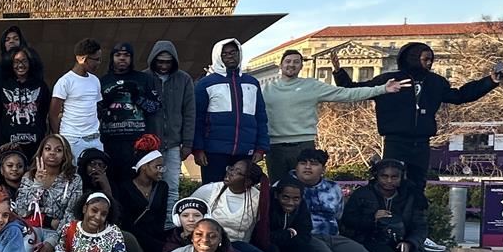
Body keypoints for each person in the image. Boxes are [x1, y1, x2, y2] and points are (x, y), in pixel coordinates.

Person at [334, 41, 503, 204]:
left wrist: (489, 81)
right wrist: (339, 72)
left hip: (421, 142)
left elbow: (460, 95)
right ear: (413, 59)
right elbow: (355, 90)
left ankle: (415, 217)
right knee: (389, 181)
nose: (429, 64)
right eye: (425, 60)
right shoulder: (389, 80)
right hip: (395, 140)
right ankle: (387, 214)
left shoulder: (435, 82)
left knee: (417, 184)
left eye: (431, 60)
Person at [264, 49, 409, 181]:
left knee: (305, 189)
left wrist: (382, 89)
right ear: (281, 65)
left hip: (303, 144)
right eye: (288, 61)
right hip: (274, 146)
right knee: (276, 189)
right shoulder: (266, 89)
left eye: (296, 62)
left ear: (302, 66)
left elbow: (347, 94)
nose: (291, 65)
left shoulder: (312, 86)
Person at [193, 38, 268, 182]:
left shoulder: (252, 83)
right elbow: (198, 119)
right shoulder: (205, 83)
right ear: (218, 56)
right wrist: (198, 149)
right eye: (225, 53)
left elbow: (261, 117)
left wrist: (260, 148)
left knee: (242, 192)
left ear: (239, 53)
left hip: (245, 151)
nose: (230, 56)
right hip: (213, 152)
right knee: (213, 191)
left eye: (233, 52)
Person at [97, 41, 160, 175]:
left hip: (137, 141)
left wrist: (137, 97)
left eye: (126, 55)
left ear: (131, 58)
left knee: (135, 179)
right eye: (118, 55)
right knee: (112, 179)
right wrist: (106, 101)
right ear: (112, 58)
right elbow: (95, 112)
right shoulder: (102, 81)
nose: (122, 58)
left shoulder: (144, 79)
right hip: (110, 140)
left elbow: (155, 107)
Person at [145, 40, 196, 203]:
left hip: (174, 144)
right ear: (154, 60)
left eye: (168, 62)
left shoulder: (184, 79)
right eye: (160, 61)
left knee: (172, 187)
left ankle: (168, 226)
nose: (164, 66)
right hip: (149, 144)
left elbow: (189, 112)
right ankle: (152, 224)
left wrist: (187, 143)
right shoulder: (144, 78)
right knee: (149, 185)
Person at [49, 38, 103, 163]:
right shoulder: (65, 81)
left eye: (100, 59)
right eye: (96, 59)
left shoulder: (95, 80)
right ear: (83, 58)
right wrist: (59, 139)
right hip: (72, 139)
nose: (99, 63)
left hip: (94, 138)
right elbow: (53, 113)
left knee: (96, 176)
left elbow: (95, 108)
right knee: (73, 177)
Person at [0, 44, 49, 154]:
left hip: (35, 145)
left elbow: (44, 113)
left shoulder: (41, 86)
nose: (20, 65)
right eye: (16, 62)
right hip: (7, 145)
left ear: (31, 63)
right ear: (10, 64)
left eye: (24, 61)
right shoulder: (2, 86)